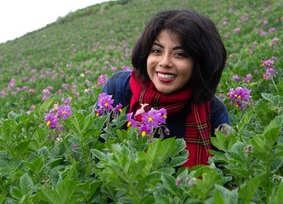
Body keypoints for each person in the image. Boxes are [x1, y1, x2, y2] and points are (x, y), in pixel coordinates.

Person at [98, 9, 230, 167]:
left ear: (200, 63)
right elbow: (96, 149)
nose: (165, 62)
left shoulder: (214, 111)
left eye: (180, 54)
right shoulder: (119, 88)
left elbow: (223, 174)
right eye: (156, 51)